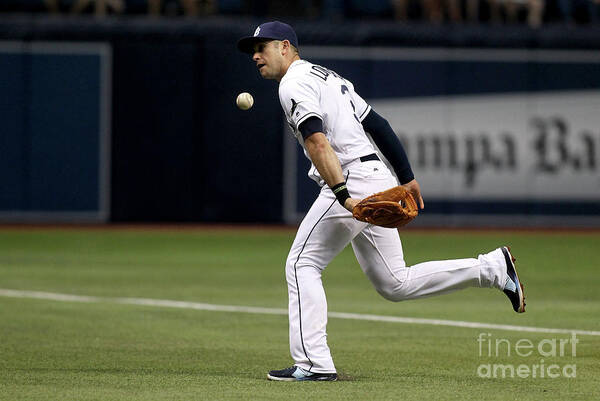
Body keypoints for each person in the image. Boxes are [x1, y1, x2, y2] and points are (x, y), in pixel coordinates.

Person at [237, 21, 526, 382]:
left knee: (301, 263)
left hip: (352, 180)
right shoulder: (329, 78)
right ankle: (492, 268)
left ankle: (313, 363)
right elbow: (378, 124)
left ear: (284, 46)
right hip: (374, 175)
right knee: (394, 282)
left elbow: (317, 142)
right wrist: (405, 177)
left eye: (261, 47)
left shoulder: (294, 83)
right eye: (252, 49)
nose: (255, 55)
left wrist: (343, 195)